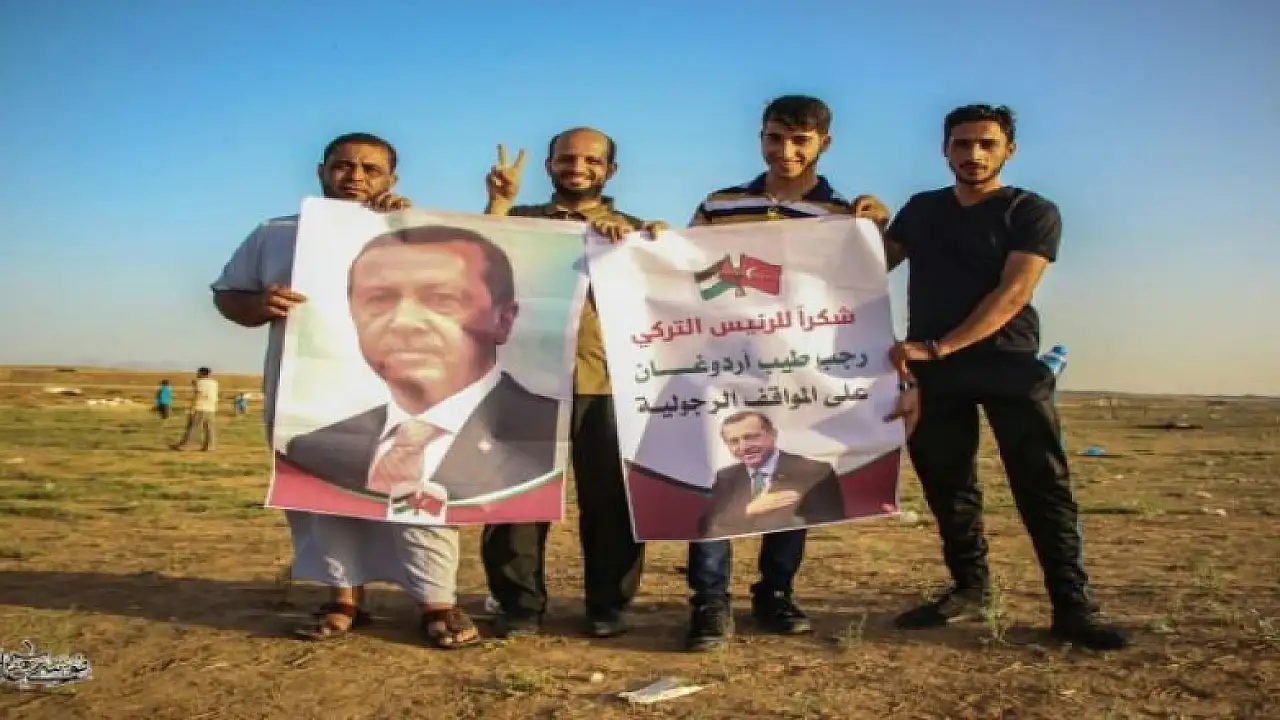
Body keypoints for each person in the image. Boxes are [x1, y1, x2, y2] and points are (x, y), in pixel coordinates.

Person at [209, 132, 479, 649]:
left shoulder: (417, 232)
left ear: (391, 179)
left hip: (408, 391)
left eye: (370, 169)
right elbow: (228, 297)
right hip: (311, 392)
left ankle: (436, 602)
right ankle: (342, 599)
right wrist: (260, 304)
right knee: (322, 494)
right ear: (321, 171)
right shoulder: (276, 233)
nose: (355, 177)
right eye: (343, 166)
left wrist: (408, 227)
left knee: (419, 490)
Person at [883, 104, 1127, 650]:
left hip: (1008, 363)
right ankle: (970, 588)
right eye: (962, 143)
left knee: (1043, 486)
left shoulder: (1031, 211)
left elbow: (1013, 293)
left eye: (986, 144)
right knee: (949, 486)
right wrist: (863, 226)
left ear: (1008, 150)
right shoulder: (922, 210)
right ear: (944, 150)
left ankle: (1072, 606)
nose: (974, 154)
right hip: (934, 372)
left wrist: (941, 345)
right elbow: (868, 266)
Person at [682, 95, 916, 652]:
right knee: (717, 476)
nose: (785, 150)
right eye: (775, 137)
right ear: (760, 137)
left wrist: (878, 230)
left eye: (799, 140)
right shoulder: (719, 204)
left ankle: (775, 594)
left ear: (823, 144)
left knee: (792, 477)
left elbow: (871, 277)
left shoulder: (843, 215)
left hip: (802, 370)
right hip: (725, 365)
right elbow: (682, 271)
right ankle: (710, 602)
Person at [480, 127, 667, 638]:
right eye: (566, 158)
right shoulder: (521, 222)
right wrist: (498, 203)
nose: (577, 168)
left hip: (608, 383)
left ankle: (608, 606)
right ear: (549, 165)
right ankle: (519, 606)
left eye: (591, 160)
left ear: (611, 170)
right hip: (525, 378)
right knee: (516, 498)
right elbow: (479, 258)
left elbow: (671, 290)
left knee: (611, 502)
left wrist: (655, 244)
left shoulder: (633, 231)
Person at [280, 224, 559, 504]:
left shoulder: (552, 433)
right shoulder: (312, 452)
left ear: (504, 321)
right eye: (380, 299)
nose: (404, 322)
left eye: (441, 299)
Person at [699, 411, 843, 539]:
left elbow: (827, 530)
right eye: (734, 441)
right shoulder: (726, 477)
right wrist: (748, 510)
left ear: (773, 434)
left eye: (751, 437)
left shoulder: (814, 472)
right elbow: (710, 530)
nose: (743, 447)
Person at [171, 367, 217, 451]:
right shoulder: (214, 383)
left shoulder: (200, 382)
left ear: (201, 373)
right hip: (211, 408)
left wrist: (192, 407)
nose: (197, 374)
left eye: (198, 373)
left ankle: (187, 445)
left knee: (193, 427)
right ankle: (210, 446)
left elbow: (198, 395)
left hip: (200, 407)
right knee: (209, 428)